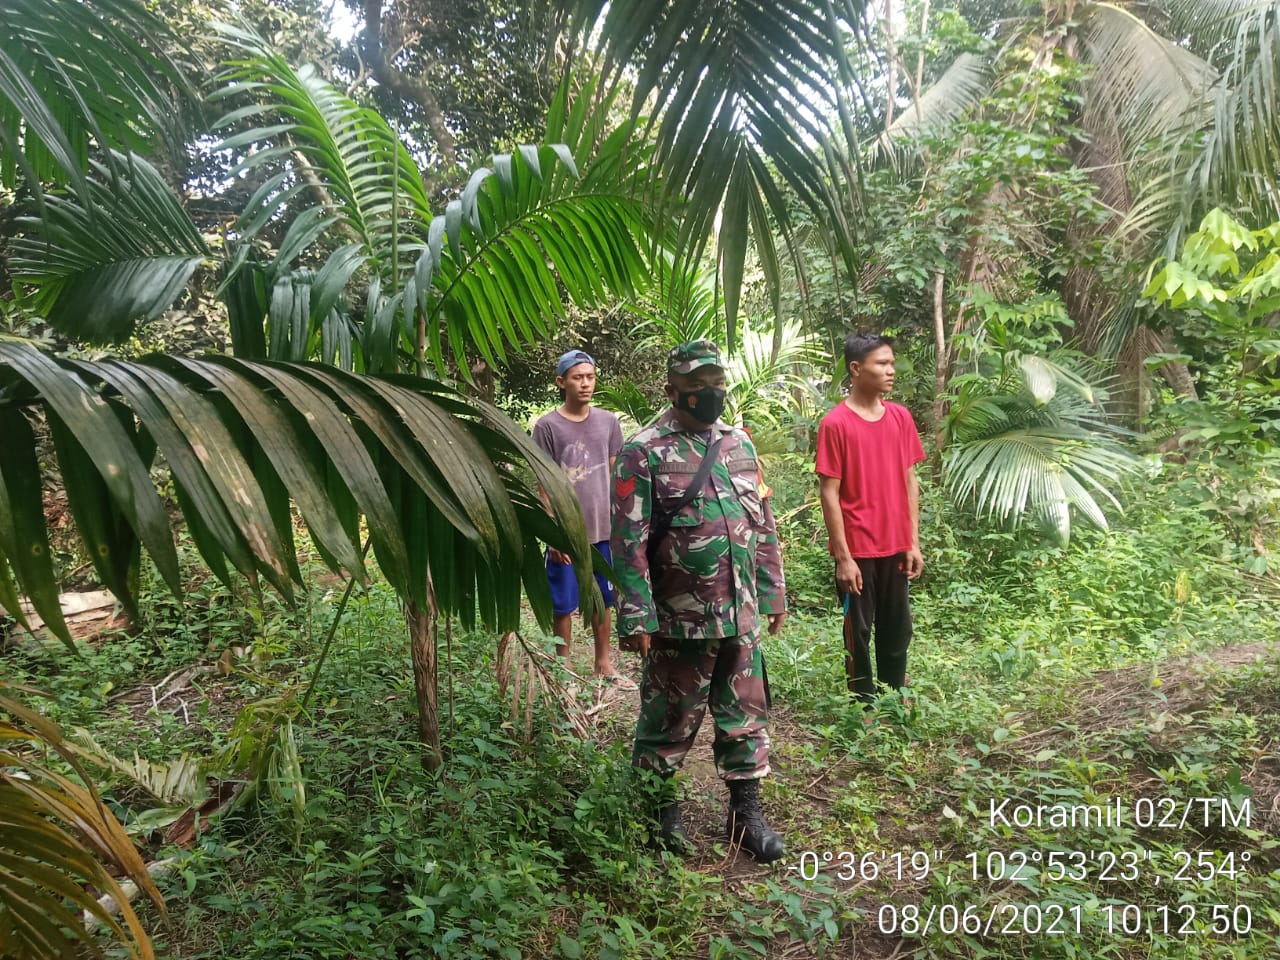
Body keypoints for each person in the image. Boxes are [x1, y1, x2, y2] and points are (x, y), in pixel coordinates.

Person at [611, 339, 787, 863]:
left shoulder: (739, 444)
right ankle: (659, 813)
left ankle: (745, 813)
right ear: (673, 391)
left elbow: (761, 522)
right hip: (679, 618)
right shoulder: (641, 450)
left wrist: (773, 589)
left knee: (745, 715)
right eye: (696, 386)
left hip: (743, 612)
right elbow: (628, 541)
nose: (709, 394)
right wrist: (637, 613)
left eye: (716, 383)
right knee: (669, 718)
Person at [815, 333, 925, 705]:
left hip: (896, 545)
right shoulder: (836, 424)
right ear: (856, 369)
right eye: (882, 364)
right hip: (858, 548)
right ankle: (862, 706)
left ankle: (894, 700)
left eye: (892, 363)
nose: (891, 370)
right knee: (857, 632)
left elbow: (910, 480)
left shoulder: (900, 418)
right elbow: (829, 492)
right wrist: (843, 558)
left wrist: (913, 542)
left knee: (897, 630)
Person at [532, 349, 636, 690]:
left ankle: (603, 663)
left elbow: (615, 475)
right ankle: (562, 669)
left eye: (590, 376)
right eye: (578, 377)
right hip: (566, 532)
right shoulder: (548, 426)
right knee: (563, 602)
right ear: (561, 382)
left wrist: (623, 523)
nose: (585, 383)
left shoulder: (608, 422)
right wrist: (553, 533)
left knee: (603, 599)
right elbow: (544, 484)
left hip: (603, 530)